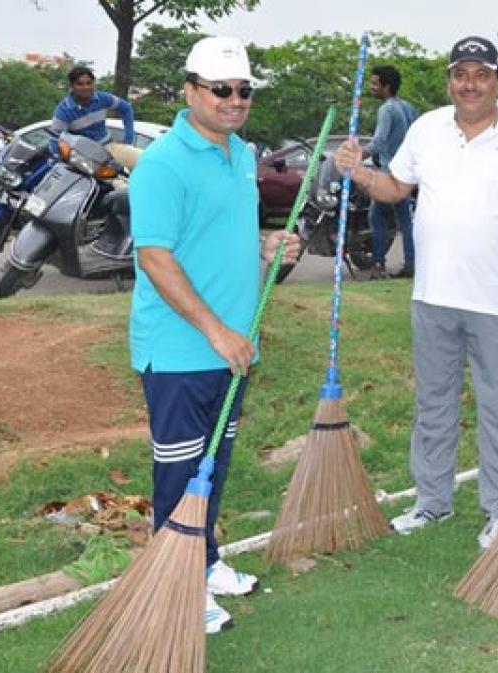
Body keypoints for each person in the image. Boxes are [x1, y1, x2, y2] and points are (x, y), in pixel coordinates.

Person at [334, 35, 498, 551]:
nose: (470, 83)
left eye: (481, 74)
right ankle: (432, 502)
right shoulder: (427, 128)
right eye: (461, 74)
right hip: (433, 296)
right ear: (450, 81)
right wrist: (357, 170)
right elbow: (396, 189)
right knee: (434, 404)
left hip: (497, 300)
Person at [128, 36, 300, 634]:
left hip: (232, 346)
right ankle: (176, 586)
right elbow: (156, 258)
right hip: (182, 349)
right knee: (180, 475)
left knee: (215, 462)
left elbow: (221, 230)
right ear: (190, 90)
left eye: (243, 91)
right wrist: (216, 331)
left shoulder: (240, 154)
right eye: (221, 89)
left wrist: (266, 244)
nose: (234, 100)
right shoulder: (163, 164)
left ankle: (203, 560)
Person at [362, 64, 418, 279]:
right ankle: (411, 264)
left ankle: (378, 264)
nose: (372, 87)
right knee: (405, 221)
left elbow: (378, 142)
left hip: (389, 172)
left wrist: (358, 156)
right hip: (408, 173)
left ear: (386, 86)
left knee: (376, 217)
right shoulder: (408, 108)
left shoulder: (386, 109)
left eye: (376, 83)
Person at [52, 65, 139, 170]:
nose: (85, 87)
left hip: (108, 147)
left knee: (142, 161)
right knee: (116, 184)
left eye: (89, 83)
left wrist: (129, 138)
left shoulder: (102, 98)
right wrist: (59, 160)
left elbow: (126, 108)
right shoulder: (64, 110)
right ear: (71, 86)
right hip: (85, 157)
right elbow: (55, 138)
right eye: (80, 84)